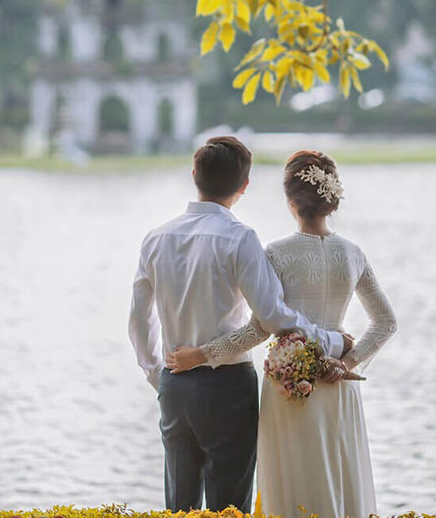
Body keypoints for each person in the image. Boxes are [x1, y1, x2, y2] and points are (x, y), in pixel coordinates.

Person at [166, 149, 397, 518]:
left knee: (292, 485)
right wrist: (347, 362)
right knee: (339, 480)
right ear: (332, 200)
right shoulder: (353, 254)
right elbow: (386, 322)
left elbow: (260, 327)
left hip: (290, 389)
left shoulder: (276, 253)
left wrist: (203, 354)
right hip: (341, 386)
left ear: (290, 200)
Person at [128, 137, 354, 514]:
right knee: (229, 506)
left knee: (178, 506)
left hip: (174, 383)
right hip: (228, 388)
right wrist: (332, 341)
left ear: (195, 174)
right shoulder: (240, 238)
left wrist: (158, 376)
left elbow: (138, 320)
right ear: (244, 185)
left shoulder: (156, 238)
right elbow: (273, 316)